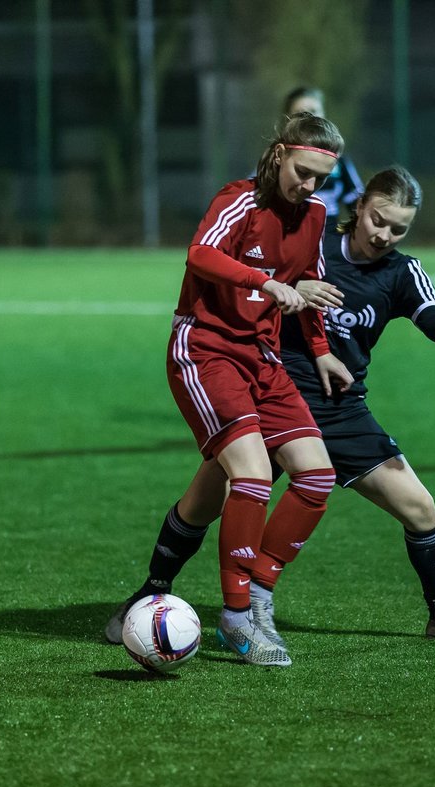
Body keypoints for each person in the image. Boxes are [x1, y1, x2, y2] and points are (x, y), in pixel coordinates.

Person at [105, 166, 435, 647]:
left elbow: (431, 318)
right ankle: (152, 591)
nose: (385, 234)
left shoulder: (401, 271)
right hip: (275, 395)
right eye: (379, 220)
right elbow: (254, 282)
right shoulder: (315, 245)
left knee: (420, 507)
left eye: (399, 228)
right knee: (202, 503)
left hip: (341, 408)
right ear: (359, 208)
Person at [133, 112, 353, 667]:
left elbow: (310, 286)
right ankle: (234, 617)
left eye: (320, 179)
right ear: (280, 155)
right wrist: (267, 282)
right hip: (205, 350)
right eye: (303, 173)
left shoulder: (316, 215)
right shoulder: (239, 200)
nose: (309, 187)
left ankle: (258, 594)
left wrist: (322, 350)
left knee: (317, 477)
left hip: (265, 359)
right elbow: (200, 256)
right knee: (252, 475)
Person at [282, 87, 365, 234]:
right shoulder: (276, 159)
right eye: (301, 113)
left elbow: (358, 202)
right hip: (286, 232)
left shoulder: (339, 162)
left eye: (314, 111)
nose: (309, 118)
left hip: (327, 235)